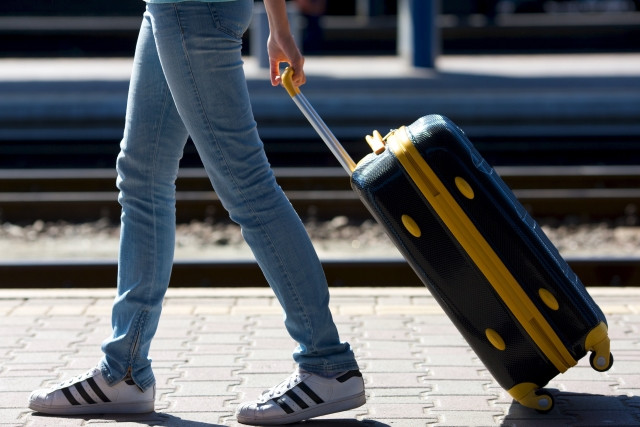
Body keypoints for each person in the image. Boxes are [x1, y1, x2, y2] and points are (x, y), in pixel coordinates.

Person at [27, 0, 365, 425]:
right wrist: (278, 23)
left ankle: (327, 362)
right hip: (169, 8)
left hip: (195, 8)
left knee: (246, 184)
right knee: (141, 176)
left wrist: (280, 23)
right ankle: (125, 370)